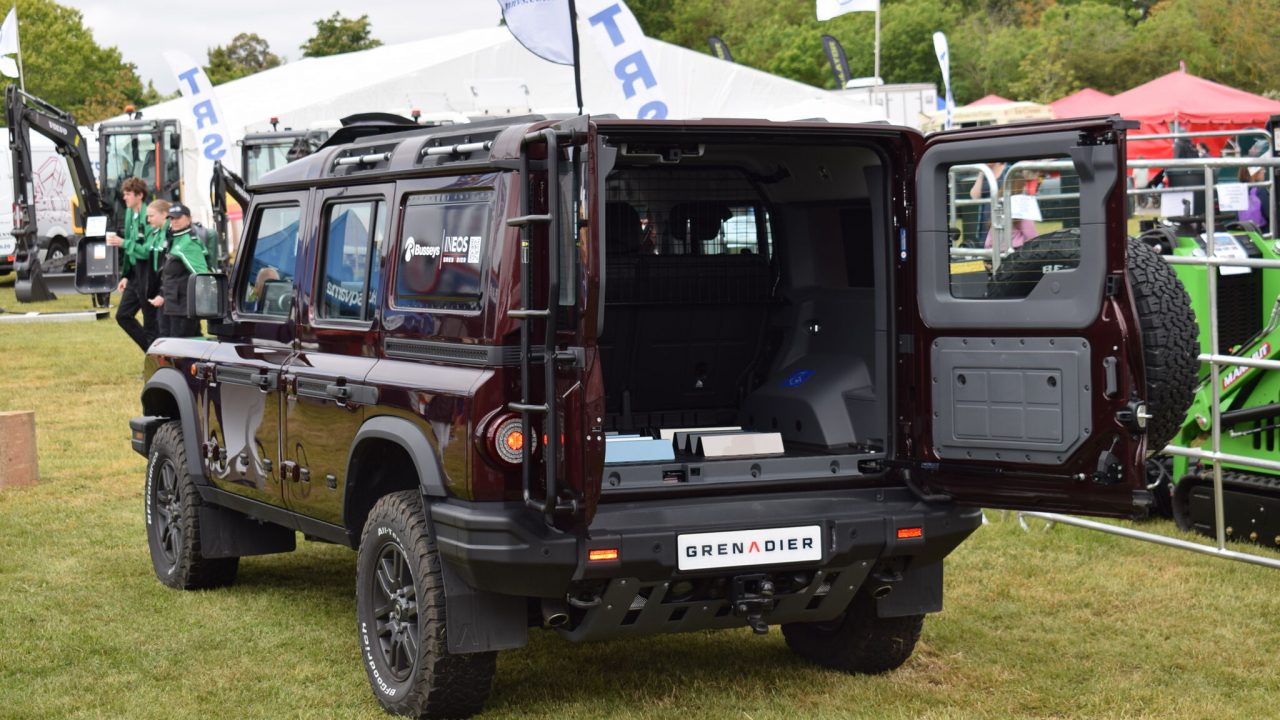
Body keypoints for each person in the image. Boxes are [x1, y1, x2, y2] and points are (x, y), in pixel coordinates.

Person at [105, 177, 154, 350]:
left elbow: (148, 251)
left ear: (139, 195)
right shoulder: (129, 213)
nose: (124, 198)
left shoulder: (149, 215)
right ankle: (150, 351)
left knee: (151, 324)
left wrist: (123, 243)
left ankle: (156, 361)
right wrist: (126, 275)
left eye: (128, 194)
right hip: (135, 274)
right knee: (123, 315)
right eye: (124, 194)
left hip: (148, 273)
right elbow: (129, 249)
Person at [149, 202, 209, 337]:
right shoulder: (174, 238)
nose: (174, 221)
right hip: (172, 304)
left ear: (188, 218)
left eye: (178, 218)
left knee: (182, 347)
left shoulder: (188, 243)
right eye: (172, 218)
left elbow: (202, 274)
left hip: (183, 307)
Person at [1237, 142, 1271, 234]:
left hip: (1246, 232)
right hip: (1263, 233)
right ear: (1255, 173)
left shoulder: (1240, 190)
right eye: (1261, 169)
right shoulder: (1260, 190)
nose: (1264, 171)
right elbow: (1269, 214)